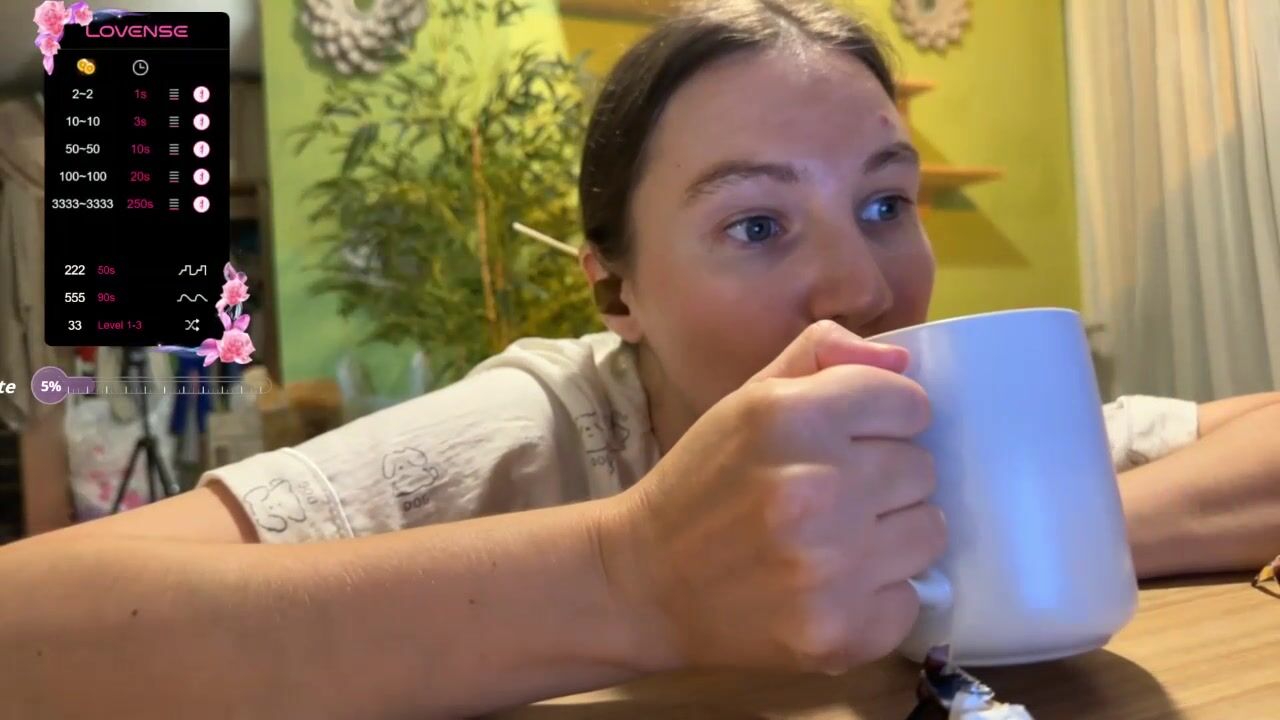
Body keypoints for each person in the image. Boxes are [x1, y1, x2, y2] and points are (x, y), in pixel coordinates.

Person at [3, 1, 1279, 717]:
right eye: (756, 224)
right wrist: (634, 579)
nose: (858, 286)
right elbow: (31, 630)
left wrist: (1031, 533)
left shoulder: (935, 413)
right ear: (616, 288)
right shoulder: (535, 428)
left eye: (885, 202)